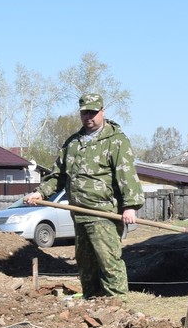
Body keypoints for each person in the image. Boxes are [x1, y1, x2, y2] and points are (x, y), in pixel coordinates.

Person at [27, 92, 143, 299]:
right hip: (78, 214)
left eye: (93, 112)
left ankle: (118, 305)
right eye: (84, 113)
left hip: (104, 214)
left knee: (108, 261)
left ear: (102, 111)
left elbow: (126, 174)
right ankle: (92, 301)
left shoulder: (116, 141)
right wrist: (40, 192)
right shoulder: (73, 143)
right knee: (85, 263)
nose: (88, 117)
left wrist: (130, 206)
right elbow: (58, 175)